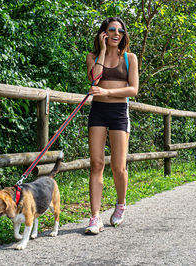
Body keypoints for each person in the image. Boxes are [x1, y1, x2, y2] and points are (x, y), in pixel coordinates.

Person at [84, 17, 139, 235]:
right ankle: (95, 217)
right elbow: (94, 79)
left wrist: (108, 92)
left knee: (118, 167)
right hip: (98, 111)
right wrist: (103, 50)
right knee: (96, 164)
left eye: (120, 31)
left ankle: (121, 204)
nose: (117, 33)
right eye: (111, 30)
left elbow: (133, 90)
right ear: (103, 33)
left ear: (124, 35)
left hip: (119, 113)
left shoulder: (129, 58)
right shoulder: (93, 56)